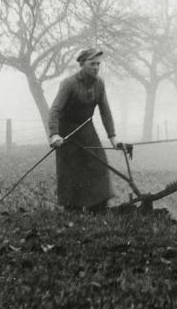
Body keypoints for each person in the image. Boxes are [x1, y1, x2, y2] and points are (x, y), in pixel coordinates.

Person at [47, 47, 122, 213]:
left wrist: (113, 137)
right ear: (82, 64)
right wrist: (54, 134)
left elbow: (105, 111)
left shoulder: (99, 83)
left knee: (98, 164)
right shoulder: (69, 83)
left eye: (98, 64)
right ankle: (72, 208)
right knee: (71, 170)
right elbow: (55, 110)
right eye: (92, 64)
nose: (96, 67)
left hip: (87, 128)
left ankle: (98, 207)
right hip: (67, 131)